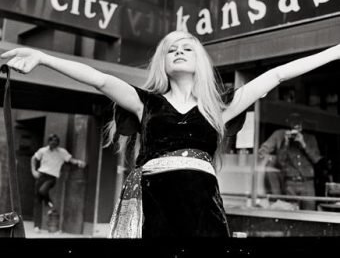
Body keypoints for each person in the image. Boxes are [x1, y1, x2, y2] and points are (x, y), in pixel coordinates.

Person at [1, 31, 340, 237]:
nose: (178, 51)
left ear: (200, 61)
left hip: (203, 209)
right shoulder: (143, 102)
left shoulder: (219, 107)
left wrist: (335, 51)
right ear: (162, 62)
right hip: (154, 205)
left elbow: (278, 75)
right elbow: (99, 78)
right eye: (171, 49)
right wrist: (43, 57)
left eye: (187, 48)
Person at [258, 113, 322, 210]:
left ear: (302, 124)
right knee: (291, 213)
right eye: (293, 123)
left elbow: (316, 159)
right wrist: (286, 143)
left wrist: (303, 143)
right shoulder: (283, 138)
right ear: (289, 124)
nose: (296, 126)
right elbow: (281, 162)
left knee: (310, 213)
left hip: (307, 182)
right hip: (290, 182)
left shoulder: (310, 138)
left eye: (298, 123)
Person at [31, 133, 86, 232]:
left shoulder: (62, 152)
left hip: (52, 177)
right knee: (38, 201)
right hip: (41, 175)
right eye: (52, 143)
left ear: (58, 143)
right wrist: (34, 171)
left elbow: (70, 160)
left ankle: (50, 204)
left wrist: (78, 162)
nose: (53, 145)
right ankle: (37, 226)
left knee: (43, 191)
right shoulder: (42, 150)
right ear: (49, 142)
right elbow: (33, 159)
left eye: (56, 143)